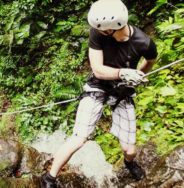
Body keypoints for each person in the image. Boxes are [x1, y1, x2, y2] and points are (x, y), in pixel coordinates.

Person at [40, 0, 158, 187]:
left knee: (129, 150)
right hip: (98, 86)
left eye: (102, 29)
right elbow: (98, 70)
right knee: (79, 139)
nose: (96, 29)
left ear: (112, 28)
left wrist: (138, 76)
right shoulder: (98, 33)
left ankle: (129, 163)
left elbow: (149, 62)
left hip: (122, 91)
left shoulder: (144, 43)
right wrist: (123, 73)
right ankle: (49, 177)